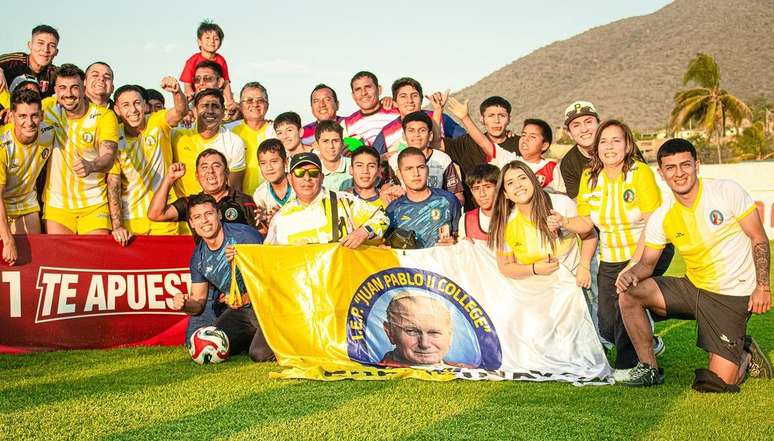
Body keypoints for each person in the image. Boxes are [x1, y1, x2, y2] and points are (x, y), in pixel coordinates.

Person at [615, 138, 772, 389]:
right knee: (629, 294)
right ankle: (649, 369)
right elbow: (647, 264)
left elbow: (759, 239)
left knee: (717, 384)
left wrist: (762, 287)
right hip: (693, 288)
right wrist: (630, 274)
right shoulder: (662, 214)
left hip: (730, 295)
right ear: (661, 173)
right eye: (671, 167)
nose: (679, 173)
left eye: (685, 165)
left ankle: (745, 353)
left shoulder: (726, 191)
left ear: (697, 165)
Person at [546, 120, 671, 381]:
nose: (609, 146)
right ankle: (648, 337)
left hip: (647, 250)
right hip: (611, 256)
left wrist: (635, 266)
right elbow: (586, 222)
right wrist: (564, 222)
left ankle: (632, 366)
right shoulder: (590, 177)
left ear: (627, 146)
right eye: (603, 141)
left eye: (616, 140)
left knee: (626, 301)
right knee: (605, 321)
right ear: (596, 148)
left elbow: (653, 223)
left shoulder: (640, 173)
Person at [170, 193, 274, 362]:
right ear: (191, 223)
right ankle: (256, 334)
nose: (204, 221)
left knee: (259, 354)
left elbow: (272, 275)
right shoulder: (198, 257)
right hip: (241, 312)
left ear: (218, 214)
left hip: (267, 307)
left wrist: (244, 260)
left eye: (208, 214)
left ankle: (279, 334)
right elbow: (198, 302)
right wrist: (184, 304)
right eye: (197, 217)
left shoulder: (244, 236)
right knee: (214, 339)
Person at [488, 161, 595, 290]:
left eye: (522, 178)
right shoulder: (505, 223)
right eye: (510, 183)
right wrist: (533, 269)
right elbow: (505, 267)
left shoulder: (561, 204)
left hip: (574, 285)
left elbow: (590, 234)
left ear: (534, 181)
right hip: (536, 294)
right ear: (505, 193)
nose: (518, 185)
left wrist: (584, 266)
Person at [107, 77, 187, 244]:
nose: (133, 110)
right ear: (117, 110)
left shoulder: (157, 121)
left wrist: (176, 91)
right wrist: (117, 225)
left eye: (137, 103)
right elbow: (113, 183)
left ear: (145, 105)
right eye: (126, 105)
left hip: (163, 213)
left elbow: (180, 111)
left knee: (166, 266)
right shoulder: (114, 136)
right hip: (130, 217)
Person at [43, 63, 119, 235]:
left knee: (96, 260)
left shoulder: (104, 116)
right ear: (55, 89)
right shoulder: (46, 108)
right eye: (62, 87)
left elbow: (109, 156)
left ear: (83, 87)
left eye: (74, 87)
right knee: (59, 260)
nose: (68, 94)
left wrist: (91, 165)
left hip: (94, 204)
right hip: (57, 204)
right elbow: (21, 111)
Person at [265, 152, 389, 246]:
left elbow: (382, 218)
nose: (307, 178)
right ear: (290, 179)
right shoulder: (280, 218)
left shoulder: (344, 201)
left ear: (322, 177)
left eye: (313, 173)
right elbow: (269, 256)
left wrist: (363, 232)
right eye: (299, 173)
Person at [0, 89, 56, 264]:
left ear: (42, 115)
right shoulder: (3, 143)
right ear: (11, 116)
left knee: (32, 261)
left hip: (26, 201)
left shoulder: (50, 132)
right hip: (3, 201)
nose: (29, 122)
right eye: (22, 116)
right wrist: (8, 239)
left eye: (34, 116)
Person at [148, 149, 257, 229]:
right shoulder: (190, 203)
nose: (210, 171)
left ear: (227, 172)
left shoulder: (243, 201)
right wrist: (169, 179)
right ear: (197, 175)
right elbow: (155, 214)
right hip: (204, 260)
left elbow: (260, 236)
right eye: (204, 167)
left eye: (216, 166)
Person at [172, 88, 245, 195]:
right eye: (205, 106)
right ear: (195, 110)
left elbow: (234, 187)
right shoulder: (177, 135)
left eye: (215, 106)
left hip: (216, 208)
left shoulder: (234, 141)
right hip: (182, 206)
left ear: (223, 112)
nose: (210, 111)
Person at [386, 148, 461, 248]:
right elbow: (385, 245)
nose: (416, 174)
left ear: (427, 170)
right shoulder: (393, 210)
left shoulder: (449, 200)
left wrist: (456, 242)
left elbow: (462, 237)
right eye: (409, 169)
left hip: (442, 262)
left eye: (421, 167)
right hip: (408, 263)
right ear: (399, 174)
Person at [372, 77, 465, 155]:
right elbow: (373, 158)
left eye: (414, 95)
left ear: (421, 100)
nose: (410, 101)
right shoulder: (386, 132)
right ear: (395, 103)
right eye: (403, 96)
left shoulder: (441, 118)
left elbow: (465, 144)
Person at [387, 111, 464, 204]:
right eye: (411, 131)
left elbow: (458, 196)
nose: (417, 135)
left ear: (430, 135)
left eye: (422, 130)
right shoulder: (394, 160)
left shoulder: (443, 159)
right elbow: (388, 189)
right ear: (404, 135)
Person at [380, 292, 463, 367]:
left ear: (450, 335)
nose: (424, 344)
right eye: (412, 331)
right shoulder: (374, 369)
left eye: (434, 333)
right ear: (390, 332)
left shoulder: (469, 370)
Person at [482, 118, 565, 192]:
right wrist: (468, 119)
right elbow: (485, 144)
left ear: (544, 145)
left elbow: (562, 196)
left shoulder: (551, 167)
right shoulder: (511, 160)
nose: (525, 139)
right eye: (523, 135)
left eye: (532, 137)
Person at [179, 20, 235, 109]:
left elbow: (226, 83)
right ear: (199, 42)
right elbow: (187, 83)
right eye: (207, 38)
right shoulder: (192, 60)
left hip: (216, 94)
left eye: (216, 38)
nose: (212, 41)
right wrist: (190, 94)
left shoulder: (221, 60)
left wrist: (230, 100)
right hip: (198, 95)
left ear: (220, 43)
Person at [228, 82, 272, 196]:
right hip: (240, 200)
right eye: (249, 100)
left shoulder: (277, 131)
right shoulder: (228, 131)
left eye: (260, 100)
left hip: (272, 200)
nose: (255, 104)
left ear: (267, 105)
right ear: (241, 106)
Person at [0, 25, 60, 98]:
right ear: (30, 45)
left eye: (52, 46)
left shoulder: (56, 74)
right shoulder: (13, 62)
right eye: (40, 43)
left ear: (56, 52)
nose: (45, 49)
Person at [341, 71, 399, 146]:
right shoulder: (345, 125)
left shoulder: (398, 111)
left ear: (379, 89)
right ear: (353, 95)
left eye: (368, 87)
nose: (364, 93)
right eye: (358, 89)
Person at [559, 101, 599, 200]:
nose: (584, 129)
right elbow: (579, 202)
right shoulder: (568, 164)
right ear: (569, 133)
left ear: (599, 124)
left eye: (588, 122)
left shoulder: (621, 146)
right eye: (576, 125)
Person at [252, 139, 294, 235]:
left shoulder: (298, 184)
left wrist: (283, 216)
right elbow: (264, 233)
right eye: (263, 163)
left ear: (286, 162)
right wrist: (267, 221)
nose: (269, 168)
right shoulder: (260, 194)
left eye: (274, 161)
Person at [458, 164, 499, 241]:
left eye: (487, 187)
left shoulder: (513, 215)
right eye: (476, 188)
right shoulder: (466, 220)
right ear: (471, 191)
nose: (482, 194)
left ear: (498, 187)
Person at [314, 120, 351, 191]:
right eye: (325, 141)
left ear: (342, 143)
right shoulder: (313, 170)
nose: (331, 146)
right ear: (317, 144)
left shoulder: (354, 165)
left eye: (335, 141)